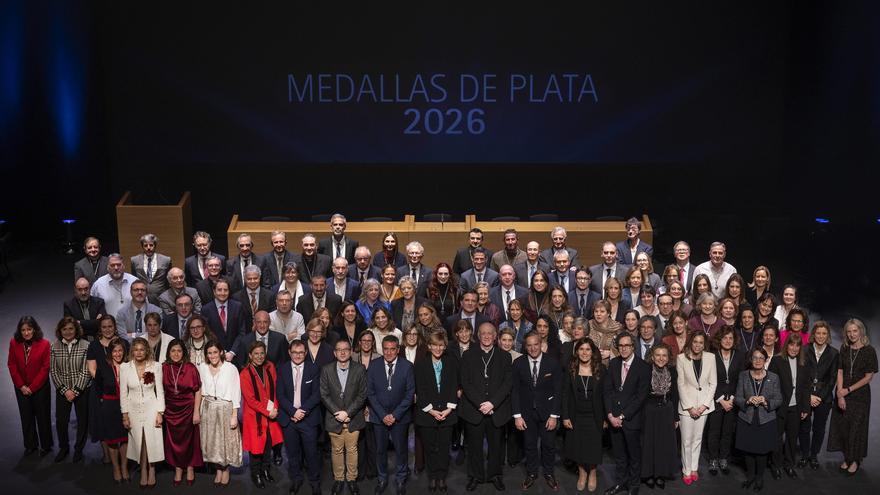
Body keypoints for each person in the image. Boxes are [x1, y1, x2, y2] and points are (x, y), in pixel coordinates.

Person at [458, 323, 513, 492]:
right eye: (483, 333)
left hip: (497, 410)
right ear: (478, 335)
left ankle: (495, 475)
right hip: (474, 410)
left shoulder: (504, 356)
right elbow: (465, 383)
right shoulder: (467, 355)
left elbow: (507, 383)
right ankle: (475, 476)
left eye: (490, 333)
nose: (487, 336)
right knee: (474, 447)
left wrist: (492, 403)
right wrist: (481, 403)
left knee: (496, 447)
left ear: (495, 335)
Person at [512, 332, 562, 491]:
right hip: (526, 414)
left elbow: (558, 391)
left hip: (548, 413)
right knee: (530, 445)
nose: (533, 348)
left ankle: (549, 473)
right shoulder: (518, 363)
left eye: (536, 344)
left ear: (541, 344)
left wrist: (554, 415)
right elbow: (515, 391)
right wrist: (517, 415)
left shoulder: (553, 363)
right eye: (529, 345)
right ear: (525, 346)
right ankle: (532, 473)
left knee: (548, 445)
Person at [827, 318, 877, 476]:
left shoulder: (870, 351)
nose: (852, 334)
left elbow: (869, 377)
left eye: (855, 331)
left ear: (861, 331)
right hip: (843, 392)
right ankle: (847, 457)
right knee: (843, 427)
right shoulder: (844, 348)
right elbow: (840, 371)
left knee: (856, 428)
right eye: (849, 331)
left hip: (860, 395)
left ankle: (855, 460)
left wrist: (847, 390)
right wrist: (840, 393)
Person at [367, 335, 415, 495]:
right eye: (385, 349)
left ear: (398, 349)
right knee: (380, 449)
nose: (388, 352)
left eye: (392, 349)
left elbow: (410, 394)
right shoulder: (373, 366)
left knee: (401, 449)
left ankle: (401, 479)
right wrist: (383, 415)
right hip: (378, 416)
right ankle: (382, 478)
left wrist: (394, 415)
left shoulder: (407, 366)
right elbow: (370, 393)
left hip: (400, 417)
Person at [603, 333, 650, 495]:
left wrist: (622, 416)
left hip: (631, 419)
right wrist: (610, 415)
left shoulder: (643, 367)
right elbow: (607, 391)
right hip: (613, 418)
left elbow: (640, 397)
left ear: (633, 347)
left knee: (634, 455)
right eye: (620, 346)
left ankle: (634, 485)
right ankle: (620, 483)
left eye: (626, 345)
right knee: (619, 455)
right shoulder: (614, 363)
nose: (623, 349)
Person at [414, 331, 460, 492]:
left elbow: (454, 386)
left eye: (441, 345)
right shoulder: (420, 365)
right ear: (429, 346)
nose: (438, 348)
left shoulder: (451, 363)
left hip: (448, 413)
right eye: (434, 345)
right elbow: (421, 390)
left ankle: (442, 477)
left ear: (445, 346)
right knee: (430, 447)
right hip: (427, 414)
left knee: (443, 447)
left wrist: (448, 409)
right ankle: (432, 476)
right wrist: (432, 411)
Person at [320, 338, 367, 495]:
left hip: (353, 418)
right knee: (337, 450)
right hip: (334, 419)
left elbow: (362, 395)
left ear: (351, 351)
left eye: (346, 349)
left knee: (352, 450)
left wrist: (348, 413)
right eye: (339, 349)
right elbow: (324, 394)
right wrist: (338, 413)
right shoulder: (326, 370)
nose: (342, 352)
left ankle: (351, 479)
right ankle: (339, 479)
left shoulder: (359, 369)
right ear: (334, 353)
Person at [735, 347, 783, 491]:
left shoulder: (773, 377)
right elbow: (737, 397)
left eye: (761, 358)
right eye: (755, 358)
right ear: (751, 360)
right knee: (748, 450)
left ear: (765, 360)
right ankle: (750, 477)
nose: (757, 361)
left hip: (766, 419)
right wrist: (747, 400)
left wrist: (766, 401)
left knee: (762, 451)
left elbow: (779, 398)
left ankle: (759, 478)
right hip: (747, 418)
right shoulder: (743, 375)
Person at [119, 337, 165, 488]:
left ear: (147, 351)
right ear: (132, 351)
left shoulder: (155, 366)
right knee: (140, 440)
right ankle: (143, 470)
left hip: (152, 407)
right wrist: (125, 414)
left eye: (142, 349)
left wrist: (160, 412)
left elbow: (160, 391)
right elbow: (123, 393)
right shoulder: (125, 367)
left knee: (151, 439)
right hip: (133, 409)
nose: (139, 353)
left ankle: (152, 470)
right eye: (136, 349)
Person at [562, 337, 605, 492]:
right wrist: (565, 415)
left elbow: (605, 395)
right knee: (578, 445)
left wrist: (606, 417)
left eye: (588, 349)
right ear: (577, 351)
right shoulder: (571, 368)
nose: (584, 352)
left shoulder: (600, 369)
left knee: (593, 446)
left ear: (592, 352)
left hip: (595, 415)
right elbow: (565, 394)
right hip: (576, 414)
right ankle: (582, 473)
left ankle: (592, 472)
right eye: (581, 349)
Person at [240, 341, 284, 489]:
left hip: (271, 415)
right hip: (255, 416)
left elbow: (276, 389)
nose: (259, 356)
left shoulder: (270, 366)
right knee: (256, 448)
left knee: (268, 446)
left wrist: (275, 409)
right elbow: (250, 399)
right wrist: (268, 412)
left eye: (262, 353)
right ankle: (256, 474)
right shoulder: (245, 373)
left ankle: (266, 470)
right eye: (256, 354)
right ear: (250, 355)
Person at [198, 340, 243, 486]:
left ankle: (226, 470)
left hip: (226, 407)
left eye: (215, 352)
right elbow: (201, 392)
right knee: (212, 442)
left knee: (225, 442)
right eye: (209, 353)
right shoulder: (203, 368)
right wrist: (199, 411)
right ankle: (218, 469)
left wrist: (234, 415)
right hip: (208, 407)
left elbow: (236, 392)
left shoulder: (230, 368)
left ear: (221, 352)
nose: (212, 356)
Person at [8, 316, 53, 457]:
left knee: (43, 416)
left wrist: (32, 388)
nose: (26, 333)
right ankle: (30, 445)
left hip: (40, 387)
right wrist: (21, 386)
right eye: (23, 330)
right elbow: (12, 364)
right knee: (26, 417)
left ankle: (46, 445)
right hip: (21, 387)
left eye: (29, 329)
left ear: (34, 329)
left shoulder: (45, 344)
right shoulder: (14, 342)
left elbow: (45, 368)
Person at [768, 333, 810, 480]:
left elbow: (806, 387)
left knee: (792, 439)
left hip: (796, 407)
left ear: (800, 348)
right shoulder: (777, 360)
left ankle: (789, 465)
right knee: (777, 438)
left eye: (797, 345)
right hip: (780, 406)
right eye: (791, 344)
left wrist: (805, 408)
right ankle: (776, 466)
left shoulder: (803, 363)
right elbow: (771, 385)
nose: (794, 348)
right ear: (787, 345)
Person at [677, 331, 716, 485]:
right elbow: (680, 384)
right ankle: (686, 470)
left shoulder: (710, 358)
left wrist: (704, 405)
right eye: (695, 342)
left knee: (698, 438)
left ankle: (694, 468)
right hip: (687, 406)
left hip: (703, 406)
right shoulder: (681, 358)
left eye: (701, 342)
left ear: (704, 344)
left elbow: (713, 383)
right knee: (686, 440)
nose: (698, 345)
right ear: (690, 342)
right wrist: (689, 407)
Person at [50, 316, 91, 463]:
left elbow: (86, 371)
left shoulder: (86, 345)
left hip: (81, 390)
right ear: (60, 331)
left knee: (82, 421)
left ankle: (78, 450)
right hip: (63, 391)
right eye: (64, 329)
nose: (67, 332)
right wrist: (65, 390)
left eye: (71, 328)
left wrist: (76, 390)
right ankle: (63, 448)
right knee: (61, 421)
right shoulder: (54, 347)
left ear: (76, 330)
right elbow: (54, 371)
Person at [162, 339, 203, 486]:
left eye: (179, 350)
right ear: (168, 352)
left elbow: (197, 391)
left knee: (189, 441)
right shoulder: (164, 367)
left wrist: (196, 412)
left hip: (188, 409)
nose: (176, 354)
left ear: (183, 352)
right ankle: (178, 468)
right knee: (174, 441)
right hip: (170, 410)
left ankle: (190, 467)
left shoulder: (190, 368)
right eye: (173, 351)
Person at [799, 321, 839, 470]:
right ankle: (804, 455)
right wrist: (808, 395)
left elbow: (832, 378)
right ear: (813, 334)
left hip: (824, 397)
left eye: (824, 333)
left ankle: (814, 455)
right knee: (804, 426)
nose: (821, 336)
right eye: (818, 333)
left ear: (827, 335)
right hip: (806, 395)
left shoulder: (834, 353)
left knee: (819, 428)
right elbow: (801, 375)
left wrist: (820, 397)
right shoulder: (804, 349)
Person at [706, 326, 746, 476]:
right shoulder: (711, 356)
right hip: (716, 399)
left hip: (733, 401)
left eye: (731, 338)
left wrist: (733, 399)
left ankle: (723, 458)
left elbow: (741, 378)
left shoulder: (740, 355)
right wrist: (720, 399)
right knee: (714, 431)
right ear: (719, 339)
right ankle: (713, 460)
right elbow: (708, 380)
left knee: (727, 432)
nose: (728, 341)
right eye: (725, 338)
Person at [640, 344, 678, 490]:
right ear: (652, 356)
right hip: (649, 410)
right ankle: (649, 474)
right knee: (649, 443)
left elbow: (675, 394)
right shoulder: (646, 370)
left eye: (664, 355)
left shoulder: (672, 371)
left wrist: (676, 417)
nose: (661, 358)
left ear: (668, 358)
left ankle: (660, 474)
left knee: (663, 444)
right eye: (658, 355)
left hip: (666, 410)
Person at [93, 337, 130, 482]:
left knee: (125, 439)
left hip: (126, 407)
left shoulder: (129, 365)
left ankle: (125, 467)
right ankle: (116, 468)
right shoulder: (103, 366)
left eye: (120, 350)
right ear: (110, 352)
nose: (118, 354)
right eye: (114, 351)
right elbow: (98, 388)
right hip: (109, 406)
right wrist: (104, 404)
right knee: (113, 440)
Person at [353, 331, 380, 481]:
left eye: (370, 340)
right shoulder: (352, 357)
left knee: (372, 440)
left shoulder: (378, 358)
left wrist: (369, 406)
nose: (366, 343)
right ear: (359, 342)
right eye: (364, 340)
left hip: (373, 406)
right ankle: (360, 470)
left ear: (373, 343)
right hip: (356, 406)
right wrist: (359, 406)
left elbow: (378, 386)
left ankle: (372, 469)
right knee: (359, 441)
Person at [201, 278, 248, 357]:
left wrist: (232, 352)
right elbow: (207, 334)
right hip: (215, 355)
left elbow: (242, 332)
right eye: (219, 290)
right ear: (214, 291)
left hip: (235, 354)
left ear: (229, 291)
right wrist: (218, 351)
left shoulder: (237, 307)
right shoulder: (206, 310)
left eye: (225, 290)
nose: (222, 293)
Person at [90, 253, 139, 322]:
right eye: (112, 265)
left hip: (132, 328)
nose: (116, 268)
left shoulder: (135, 282)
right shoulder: (98, 285)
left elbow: (145, 305)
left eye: (119, 265)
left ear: (123, 266)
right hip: (109, 330)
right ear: (107, 267)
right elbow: (92, 308)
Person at [130, 233, 172, 304]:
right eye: (145, 245)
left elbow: (168, 280)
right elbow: (135, 279)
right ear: (142, 247)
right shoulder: (135, 260)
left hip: (162, 297)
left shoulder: (166, 260)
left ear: (155, 246)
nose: (148, 248)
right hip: (142, 297)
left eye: (151, 245)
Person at [234, 264, 275, 331]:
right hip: (244, 335)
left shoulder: (270, 296)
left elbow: (272, 318)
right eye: (249, 279)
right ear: (244, 279)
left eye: (255, 278)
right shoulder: (236, 297)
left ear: (260, 278)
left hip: (265, 333)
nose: (252, 281)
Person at [588, 300, 623, 365]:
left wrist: (610, 353)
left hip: (611, 366)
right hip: (590, 364)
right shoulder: (588, 325)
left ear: (608, 313)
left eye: (602, 311)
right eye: (596, 311)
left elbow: (624, 348)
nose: (598, 314)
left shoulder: (617, 328)